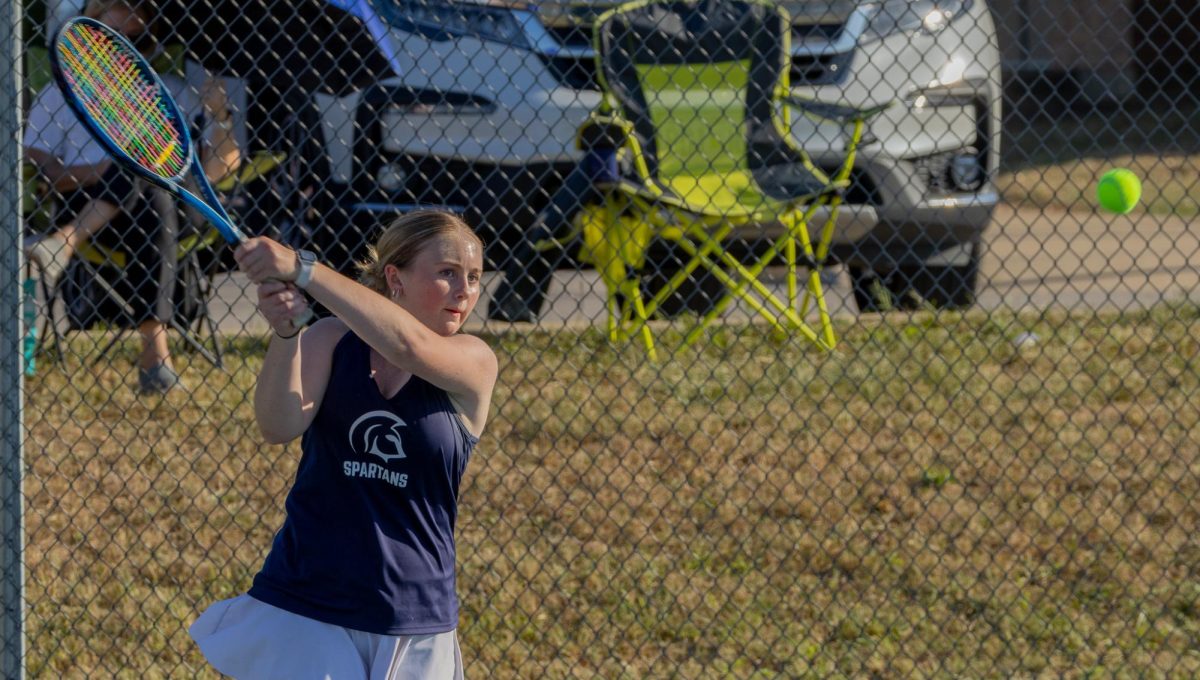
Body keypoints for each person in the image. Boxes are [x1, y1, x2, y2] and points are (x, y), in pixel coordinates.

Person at [189, 210, 498, 679]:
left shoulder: (474, 362)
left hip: (412, 613)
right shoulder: (332, 340)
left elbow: (407, 347)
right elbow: (278, 424)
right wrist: (287, 334)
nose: (464, 292)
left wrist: (302, 268)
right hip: (308, 598)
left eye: (473, 277)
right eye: (447, 274)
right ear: (395, 277)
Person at [23, 0, 241, 393]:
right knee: (141, 169)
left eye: (135, 39)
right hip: (94, 204)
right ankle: (155, 356)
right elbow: (42, 172)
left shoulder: (171, 93)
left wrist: (221, 115)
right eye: (112, 38)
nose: (124, 48)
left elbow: (224, 164)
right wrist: (109, 170)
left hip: (180, 202)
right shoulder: (62, 95)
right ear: (88, 36)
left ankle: (65, 241)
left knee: (149, 172)